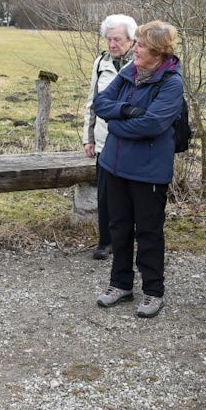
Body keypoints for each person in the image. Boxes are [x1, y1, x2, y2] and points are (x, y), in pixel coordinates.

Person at [93, 20, 183, 319]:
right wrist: (126, 112)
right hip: (115, 165)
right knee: (118, 228)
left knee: (149, 233)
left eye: (141, 45)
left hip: (148, 172)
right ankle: (120, 284)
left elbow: (153, 124)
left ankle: (154, 291)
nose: (136, 49)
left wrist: (116, 124)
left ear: (157, 52)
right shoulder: (130, 70)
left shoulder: (171, 82)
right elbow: (100, 103)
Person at [81, 14, 137, 260]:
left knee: (131, 194)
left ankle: (129, 239)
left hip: (132, 140)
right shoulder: (100, 62)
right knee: (105, 195)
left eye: (118, 39)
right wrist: (88, 138)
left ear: (131, 40)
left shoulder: (140, 63)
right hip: (105, 141)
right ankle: (105, 241)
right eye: (109, 39)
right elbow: (92, 102)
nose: (112, 44)